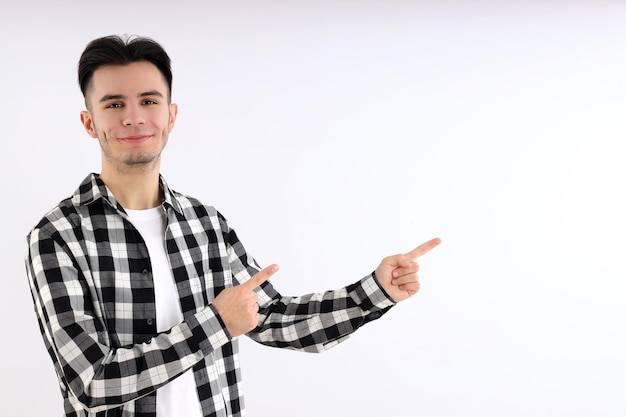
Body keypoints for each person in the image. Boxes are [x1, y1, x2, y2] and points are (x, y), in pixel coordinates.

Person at [24, 34, 441, 417]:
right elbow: (91, 383)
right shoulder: (57, 236)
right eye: (114, 104)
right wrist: (216, 324)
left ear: (171, 115)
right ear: (88, 122)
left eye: (149, 101)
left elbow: (274, 319)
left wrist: (375, 290)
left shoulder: (204, 224)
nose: (134, 118)